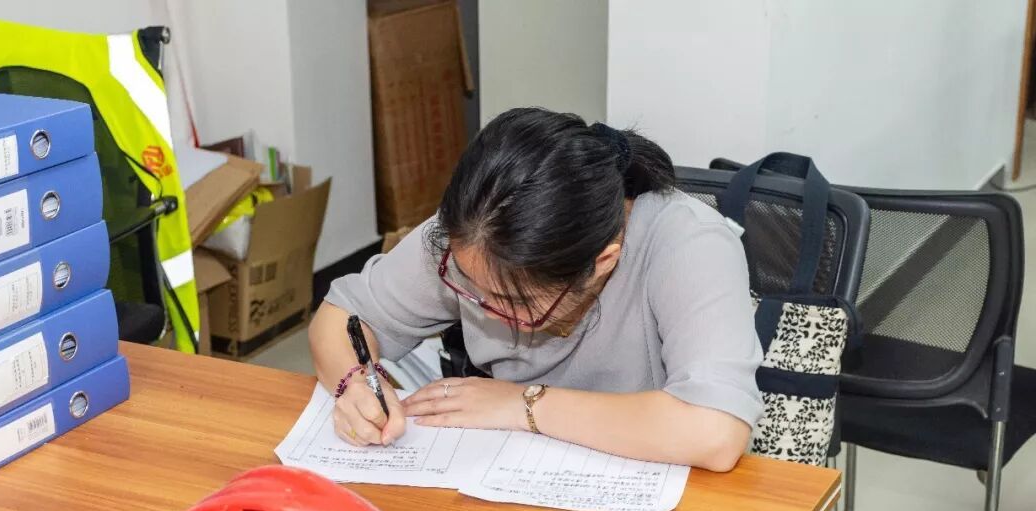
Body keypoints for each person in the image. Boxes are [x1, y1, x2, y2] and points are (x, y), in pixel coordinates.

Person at [309, 107, 763, 472]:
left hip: (659, 492)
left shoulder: (689, 245)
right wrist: (354, 383)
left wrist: (524, 405)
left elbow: (715, 431)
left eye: (514, 302)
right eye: (467, 284)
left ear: (603, 262)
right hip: (514, 477)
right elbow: (343, 315)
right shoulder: (475, 233)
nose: (481, 307)